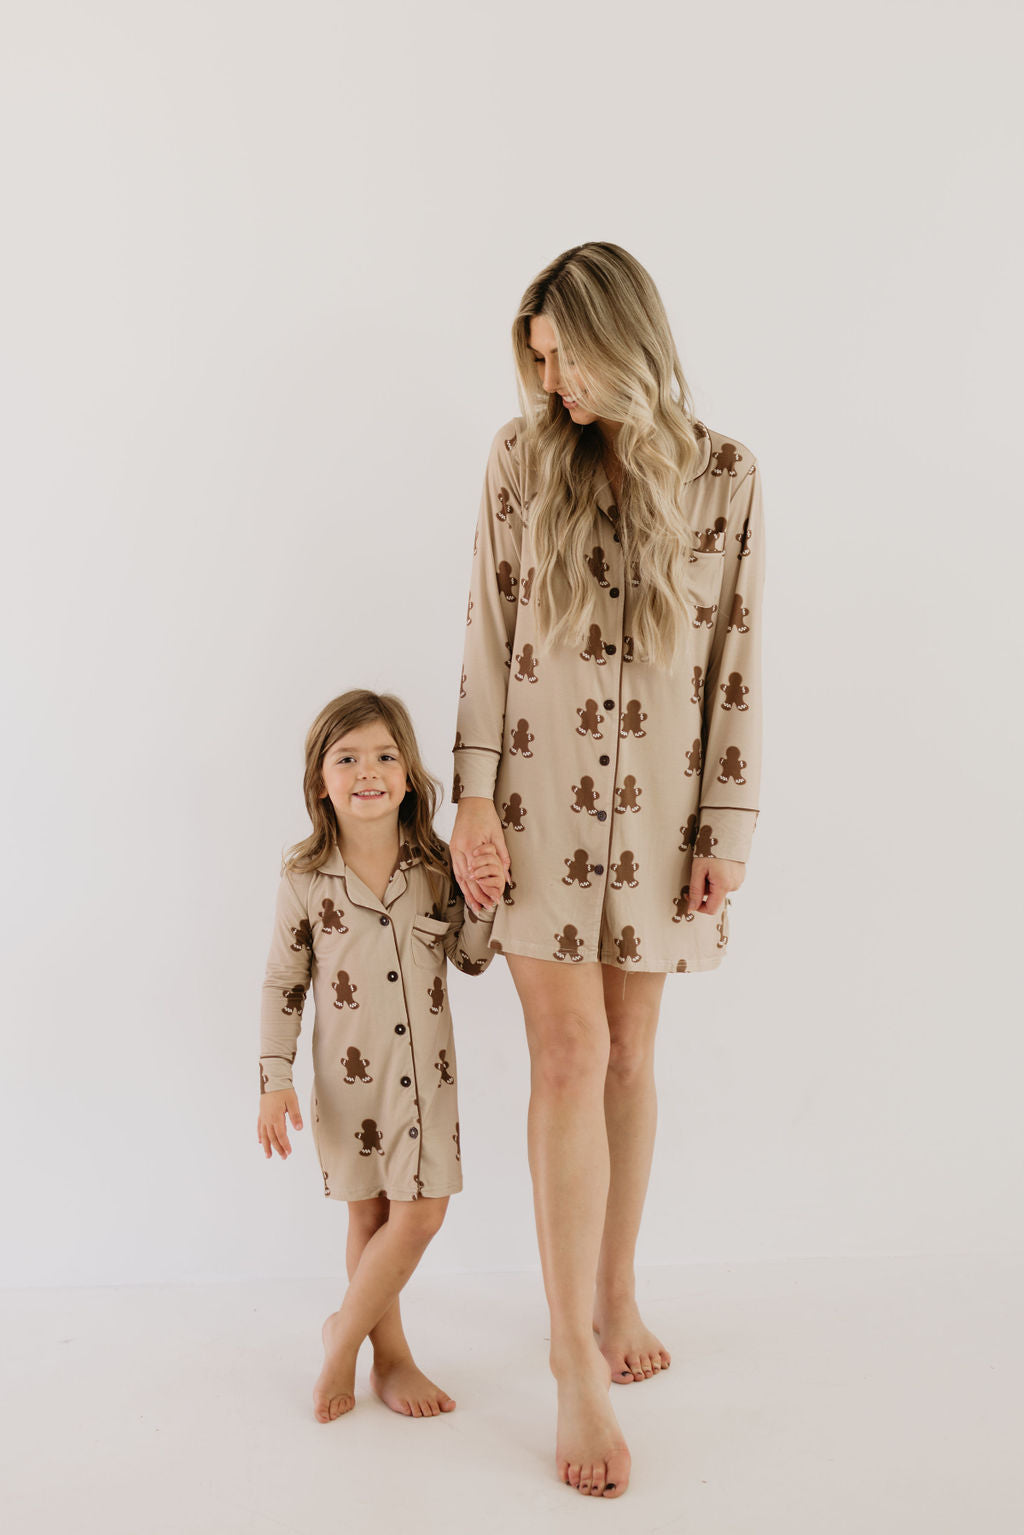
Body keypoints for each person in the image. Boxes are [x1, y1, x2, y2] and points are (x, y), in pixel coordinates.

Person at [450, 242, 766, 1498]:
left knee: (632, 1054)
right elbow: (483, 622)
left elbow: (738, 648)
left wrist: (724, 826)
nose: (550, 381)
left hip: (658, 818)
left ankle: (614, 1288)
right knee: (568, 1054)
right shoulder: (520, 459)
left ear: (619, 338)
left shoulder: (727, 476)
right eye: (534, 360)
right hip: (532, 803)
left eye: (562, 354)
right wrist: (471, 792)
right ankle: (574, 1352)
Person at [258, 688, 505, 1423]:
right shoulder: (305, 877)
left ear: (409, 775)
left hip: (424, 1083)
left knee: (422, 1213)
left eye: (385, 755)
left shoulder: (433, 865)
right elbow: (282, 982)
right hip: (345, 1086)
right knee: (368, 1216)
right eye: (348, 757)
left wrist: (484, 902)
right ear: (320, 781)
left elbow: (469, 957)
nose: (368, 770)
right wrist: (274, 1080)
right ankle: (389, 1356)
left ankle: (342, 1338)